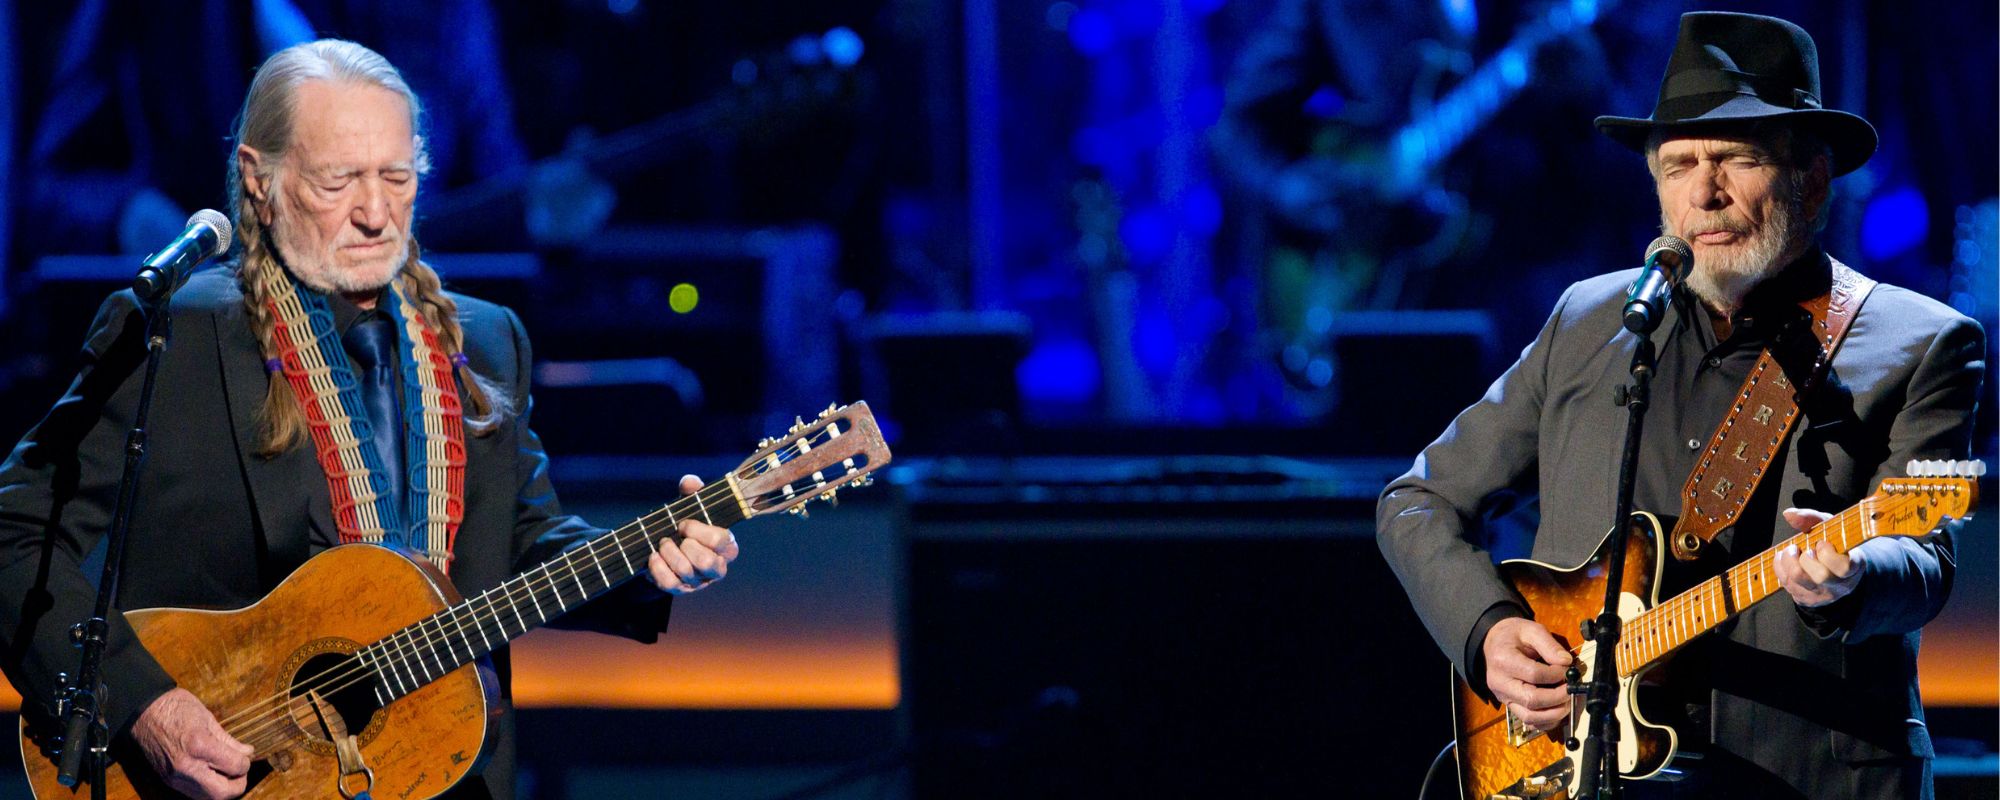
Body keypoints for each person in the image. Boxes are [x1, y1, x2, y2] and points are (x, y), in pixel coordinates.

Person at [0, 40, 739, 800]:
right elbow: (12, 535)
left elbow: (520, 543)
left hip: (445, 773)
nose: (375, 213)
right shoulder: (176, 335)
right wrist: (145, 705)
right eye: (338, 181)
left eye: (396, 176)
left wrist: (649, 563)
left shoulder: (485, 341)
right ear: (259, 181)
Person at [1377, 12, 1982, 799]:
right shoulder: (1589, 321)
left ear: (1812, 179)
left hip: (1810, 777)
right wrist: (1488, 632)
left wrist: (1854, 574)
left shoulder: (1920, 341)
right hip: (1579, 773)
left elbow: (1925, 562)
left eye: (1737, 159)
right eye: (1680, 163)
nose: (1706, 191)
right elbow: (1418, 502)